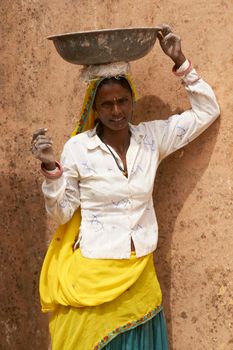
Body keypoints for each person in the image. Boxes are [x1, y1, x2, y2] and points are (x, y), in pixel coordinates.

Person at [31, 25, 220, 350]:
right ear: (95, 108)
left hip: (140, 271)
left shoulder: (151, 139)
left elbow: (207, 111)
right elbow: (62, 212)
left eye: (122, 101)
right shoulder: (78, 149)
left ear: (131, 100)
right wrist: (51, 167)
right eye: (107, 105)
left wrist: (180, 62)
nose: (116, 110)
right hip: (93, 274)